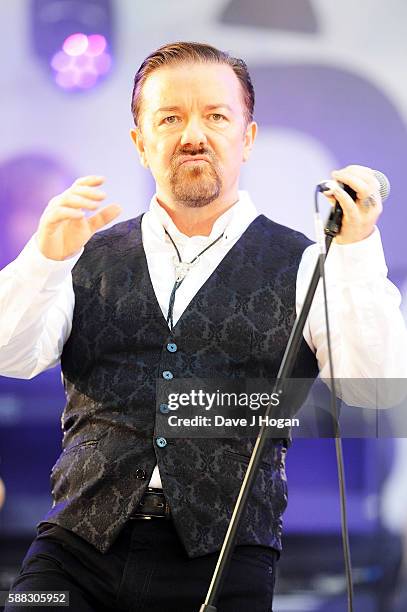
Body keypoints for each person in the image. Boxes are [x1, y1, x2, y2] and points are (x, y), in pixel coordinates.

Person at [0, 41, 406, 612]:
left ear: (249, 137)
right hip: (75, 551)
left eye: (216, 115)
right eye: (170, 118)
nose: (194, 134)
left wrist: (358, 255)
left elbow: (374, 387)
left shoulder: (310, 263)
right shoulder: (82, 251)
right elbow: (10, 355)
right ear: (141, 142)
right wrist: (44, 257)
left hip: (224, 560)